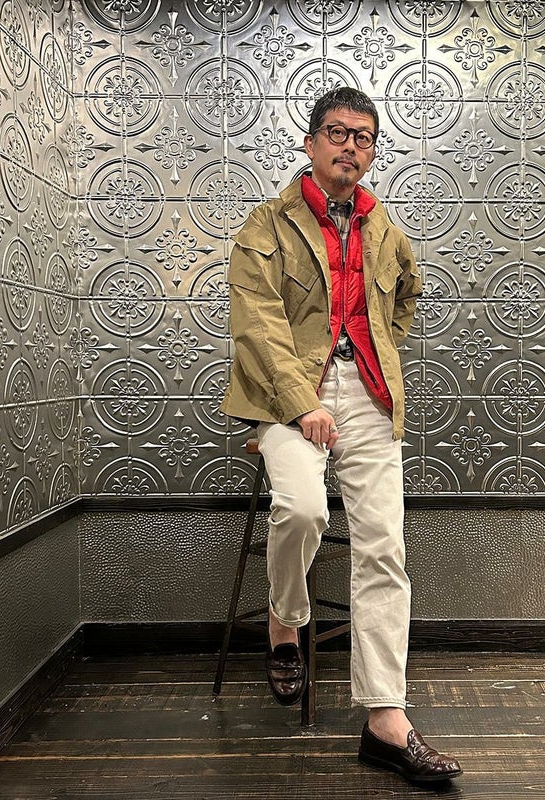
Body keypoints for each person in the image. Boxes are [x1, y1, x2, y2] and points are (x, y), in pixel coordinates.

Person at [220, 87, 462, 784]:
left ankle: (386, 720)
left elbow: (407, 293)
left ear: (372, 151)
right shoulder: (267, 225)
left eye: (363, 137)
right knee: (301, 510)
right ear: (310, 143)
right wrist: (302, 405)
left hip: (368, 392)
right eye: (337, 132)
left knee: (384, 547)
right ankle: (285, 620)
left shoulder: (383, 226)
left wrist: (377, 346)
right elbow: (257, 327)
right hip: (285, 394)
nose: (350, 146)